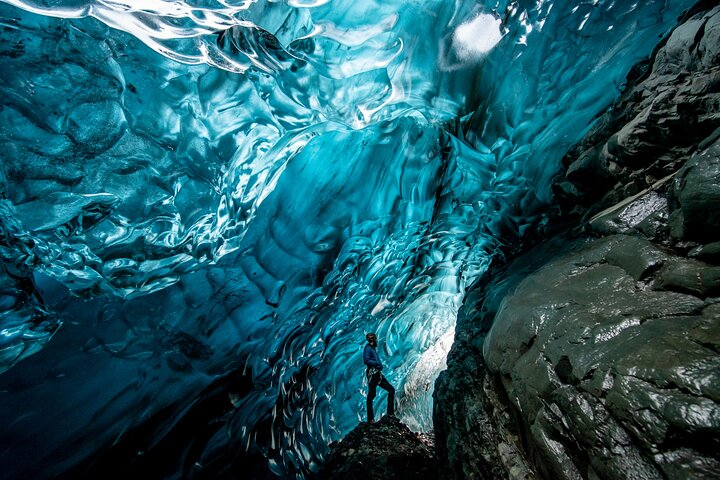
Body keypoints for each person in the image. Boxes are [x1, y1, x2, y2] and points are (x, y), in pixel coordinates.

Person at [363, 332, 395, 422]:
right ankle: (371, 419)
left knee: (391, 390)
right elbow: (366, 360)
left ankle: (390, 414)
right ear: (373, 340)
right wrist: (376, 364)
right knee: (371, 396)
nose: (377, 340)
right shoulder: (368, 348)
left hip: (377, 374)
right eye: (375, 338)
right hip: (373, 374)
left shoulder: (372, 349)